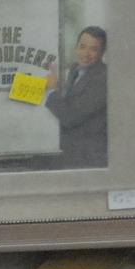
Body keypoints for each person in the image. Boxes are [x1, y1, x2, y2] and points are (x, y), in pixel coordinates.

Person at [44, 26, 108, 169]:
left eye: (93, 49)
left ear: (103, 52)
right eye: (82, 47)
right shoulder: (75, 70)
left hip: (89, 161)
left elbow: (70, 116)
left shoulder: (103, 79)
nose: (86, 54)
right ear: (76, 47)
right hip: (70, 155)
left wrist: (52, 90)